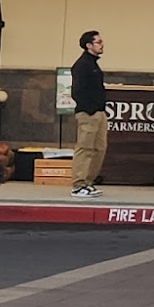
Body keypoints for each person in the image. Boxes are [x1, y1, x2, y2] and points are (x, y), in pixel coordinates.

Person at [69, 29, 109, 197]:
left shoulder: (93, 64)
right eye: (98, 42)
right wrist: (90, 109)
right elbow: (77, 92)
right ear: (88, 45)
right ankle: (78, 184)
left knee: (99, 148)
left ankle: (88, 181)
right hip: (88, 113)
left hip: (99, 112)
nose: (102, 45)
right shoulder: (82, 65)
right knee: (85, 148)